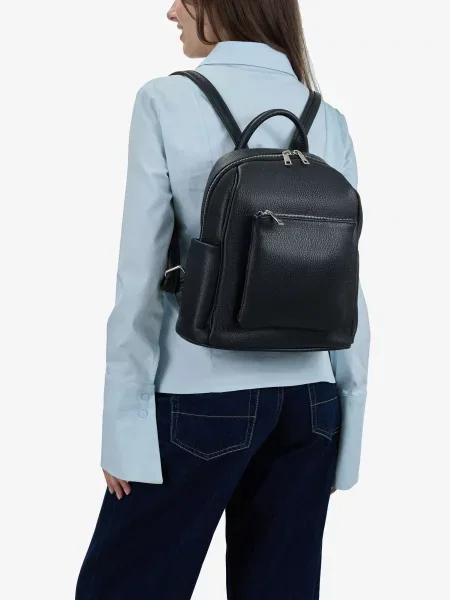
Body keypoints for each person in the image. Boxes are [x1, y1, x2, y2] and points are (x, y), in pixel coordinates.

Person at [75, 1, 371, 598]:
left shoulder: (166, 101)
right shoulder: (325, 118)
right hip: (310, 407)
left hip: (198, 398)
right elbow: (346, 285)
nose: (170, 12)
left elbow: (140, 276)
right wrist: (349, 427)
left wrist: (125, 429)